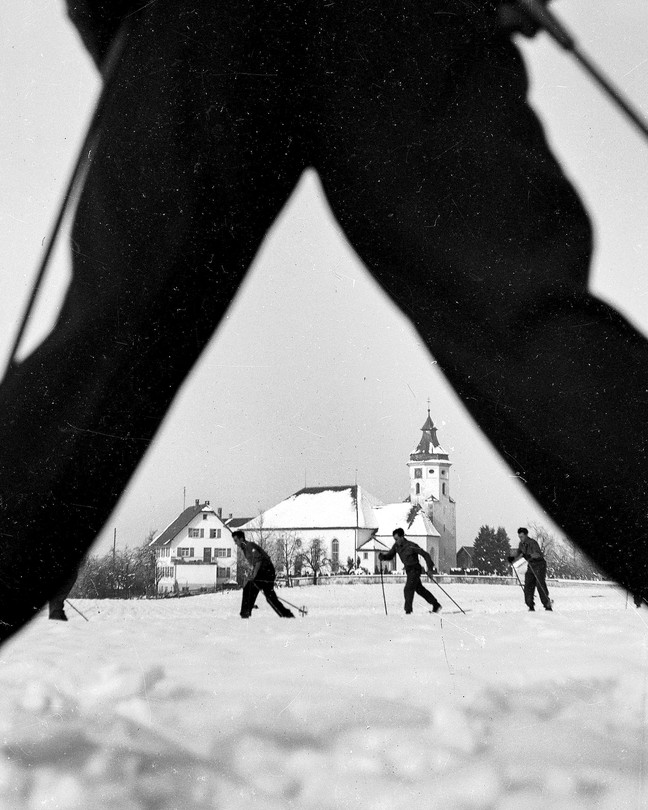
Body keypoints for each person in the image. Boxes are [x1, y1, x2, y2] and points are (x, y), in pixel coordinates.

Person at [1, 0, 648, 642]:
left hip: (202, 25)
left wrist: (118, 33)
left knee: (108, 344)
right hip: (399, 24)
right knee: (525, 320)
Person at [232, 531, 294, 619]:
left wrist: (254, 575)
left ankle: (245, 614)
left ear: (241, 539)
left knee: (249, 588)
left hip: (266, 570)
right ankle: (287, 615)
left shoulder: (249, 546)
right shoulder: (245, 548)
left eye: (236, 540)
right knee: (269, 596)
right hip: (266, 570)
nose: (235, 543)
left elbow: (258, 561)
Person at [379, 529, 441, 615]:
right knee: (419, 590)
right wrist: (383, 557)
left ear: (402, 537)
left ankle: (408, 611)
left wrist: (430, 569)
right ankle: (436, 605)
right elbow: (390, 555)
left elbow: (425, 554)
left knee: (408, 589)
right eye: (394, 539)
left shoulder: (411, 545)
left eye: (397, 539)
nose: (396, 541)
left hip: (415, 570)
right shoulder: (396, 546)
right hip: (409, 571)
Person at [508, 527, 553, 612]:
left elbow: (538, 554)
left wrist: (530, 555)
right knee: (528, 584)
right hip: (531, 565)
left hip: (539, 564)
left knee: (540, 584)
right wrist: (512, 558)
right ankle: (530, 605)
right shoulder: (521, 544)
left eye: (522, 536)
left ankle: (547, 605)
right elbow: (519, 553)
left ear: (526, 535)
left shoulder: (533, 543)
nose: (520, 538)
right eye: (519, 537)